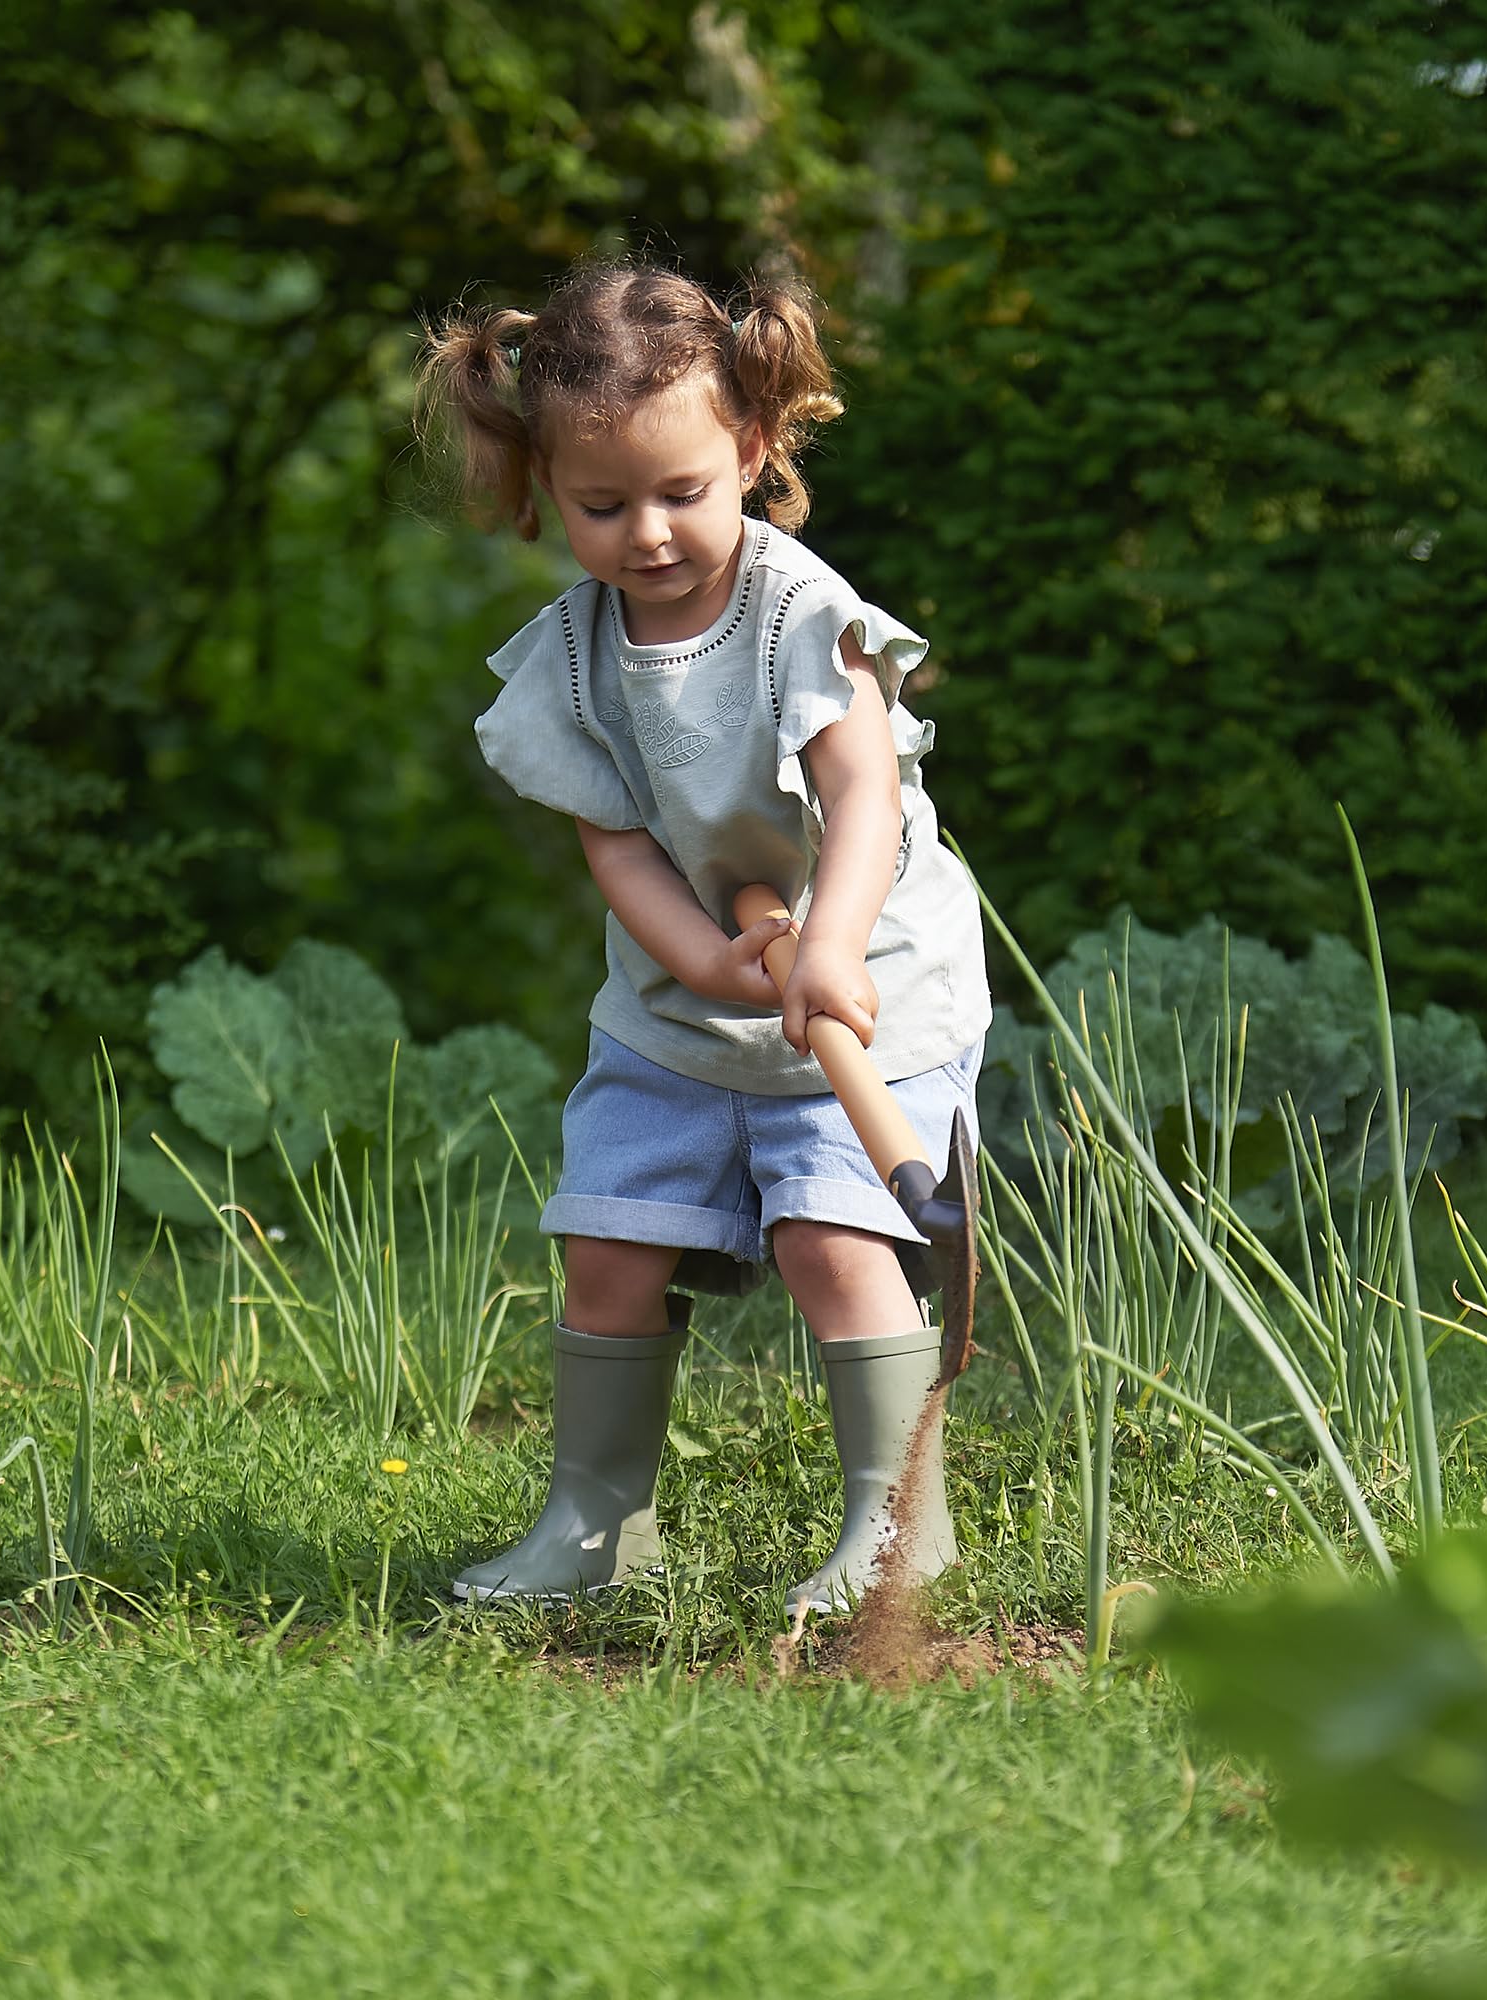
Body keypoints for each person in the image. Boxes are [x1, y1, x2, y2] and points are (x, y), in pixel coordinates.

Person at [416, 262, 990, 1618]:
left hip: (873, 984)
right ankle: (597, 1531)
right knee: (610, 1246)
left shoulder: (801, 614)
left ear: (747, 448)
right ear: (545, 488)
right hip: (685, 998)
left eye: (683, 492)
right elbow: (614, 841)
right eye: (602, 505)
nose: (650, 533)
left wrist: (829, 942)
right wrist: (711, 959)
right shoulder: (574, 653)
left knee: (830, 1241)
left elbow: (861, 794)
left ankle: (901, 1530)